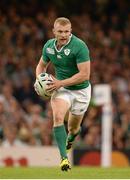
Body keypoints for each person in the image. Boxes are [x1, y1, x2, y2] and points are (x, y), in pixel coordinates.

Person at [35, 17, 91, 171]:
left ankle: (71, 139)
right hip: (62, 89)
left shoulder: (80, 46)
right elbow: (41, 66)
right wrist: (40, 80)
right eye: (60, 31)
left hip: (81, 91)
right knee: (58, 117)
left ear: (70, 31)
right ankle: (64, 159)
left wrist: (60, 82)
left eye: (67, 31)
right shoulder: (48, 46)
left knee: (73, 128)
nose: (64, 34)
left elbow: (84, 75)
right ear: (54, 31)